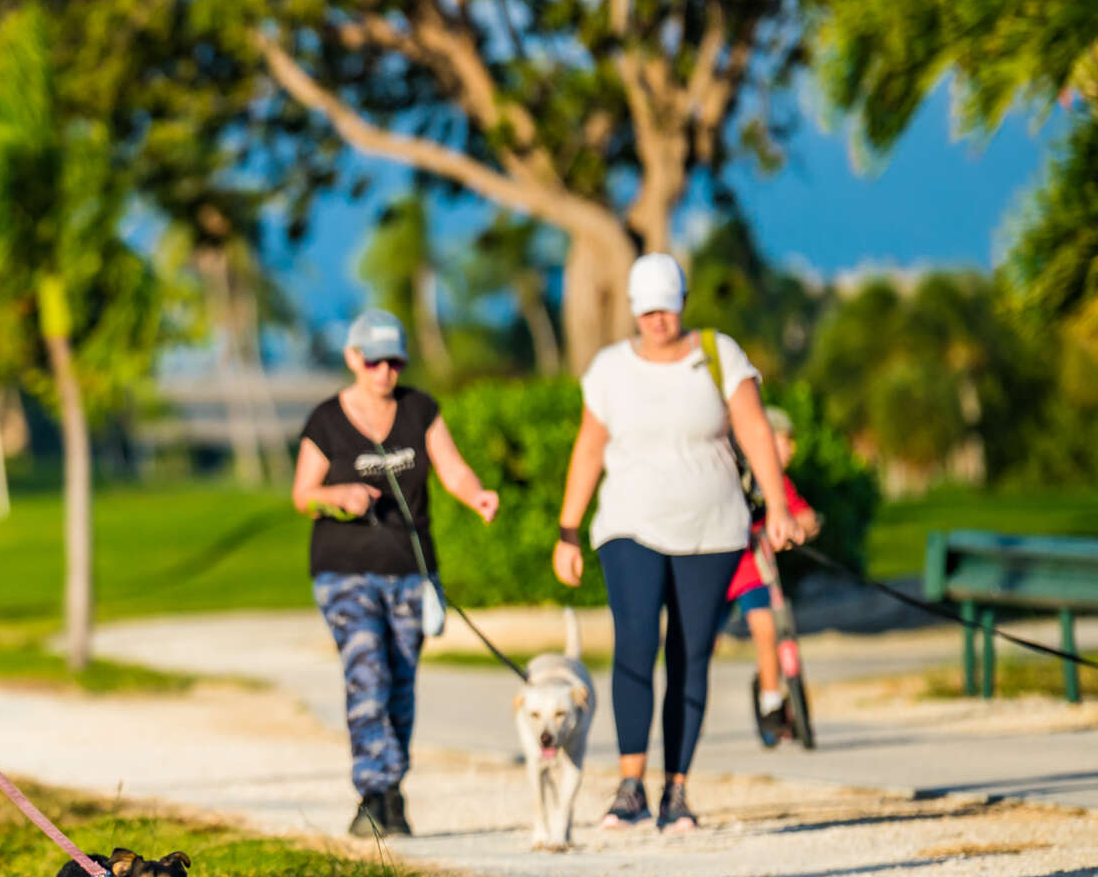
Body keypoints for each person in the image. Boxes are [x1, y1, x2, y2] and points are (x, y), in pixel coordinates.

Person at [554, 253, 802, 832]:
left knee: (690, 655)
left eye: (666, 307)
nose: (657, 320)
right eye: (647, 311)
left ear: (682, 303)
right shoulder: (611, 368)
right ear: (635, 312)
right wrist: (568, 529)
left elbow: (754, 430)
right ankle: (630, 785)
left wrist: (781, 508)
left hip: (712, 528)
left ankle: (678, 791)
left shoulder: (718, 355)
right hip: (628, 525)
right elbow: (589, 449)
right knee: (636, 644)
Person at [290, 309, 501, 838]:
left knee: (401, 683)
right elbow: (302, 494)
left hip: (410, 573)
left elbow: (451, 468)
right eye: (374, 360)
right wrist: (338, 496)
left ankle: (392, 791)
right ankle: (372, 791)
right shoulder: (325, 420)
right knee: (368, 672)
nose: (384, 371)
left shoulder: (420, 410)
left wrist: (475, 494)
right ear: (353, 358)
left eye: (394, 361)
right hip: (343, 572)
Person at [725, 407, 822, 744]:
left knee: (776, 629)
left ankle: (778, 700)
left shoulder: (778, 482)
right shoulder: (739, 474)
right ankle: (768, 702)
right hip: (733, 566)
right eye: (783, 442)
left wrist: (802, 525)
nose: (790, 450)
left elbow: (803, 513)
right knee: (758, 632)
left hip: (762, 570)